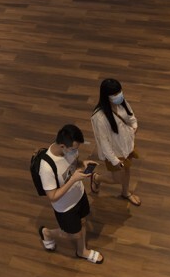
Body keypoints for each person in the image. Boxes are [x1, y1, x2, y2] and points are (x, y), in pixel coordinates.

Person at [37, 124, 103, 263]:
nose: (75, 151)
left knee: (83, 221)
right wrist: (73, 180)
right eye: (73, 149)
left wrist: (82, 164)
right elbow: (53, 197)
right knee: (74, 235)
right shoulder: (46, 167)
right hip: (65, 207)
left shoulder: (70, 150)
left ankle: (82, 251)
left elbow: (73, 164)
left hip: (79, 194)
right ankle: (47, 233)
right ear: (62, 146)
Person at [89, 78, 141, 206]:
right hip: (115, 153)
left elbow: (131, 116)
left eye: (119, 92)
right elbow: (104, 143)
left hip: (127, 146)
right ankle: (96, 178)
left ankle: (125, 192)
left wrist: (134, 125)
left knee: (127, 171)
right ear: (106, 96)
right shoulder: (100, 118)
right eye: (115, 94)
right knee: (117, 178)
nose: (119, 96)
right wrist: (114, 160)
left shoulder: (122, 103)